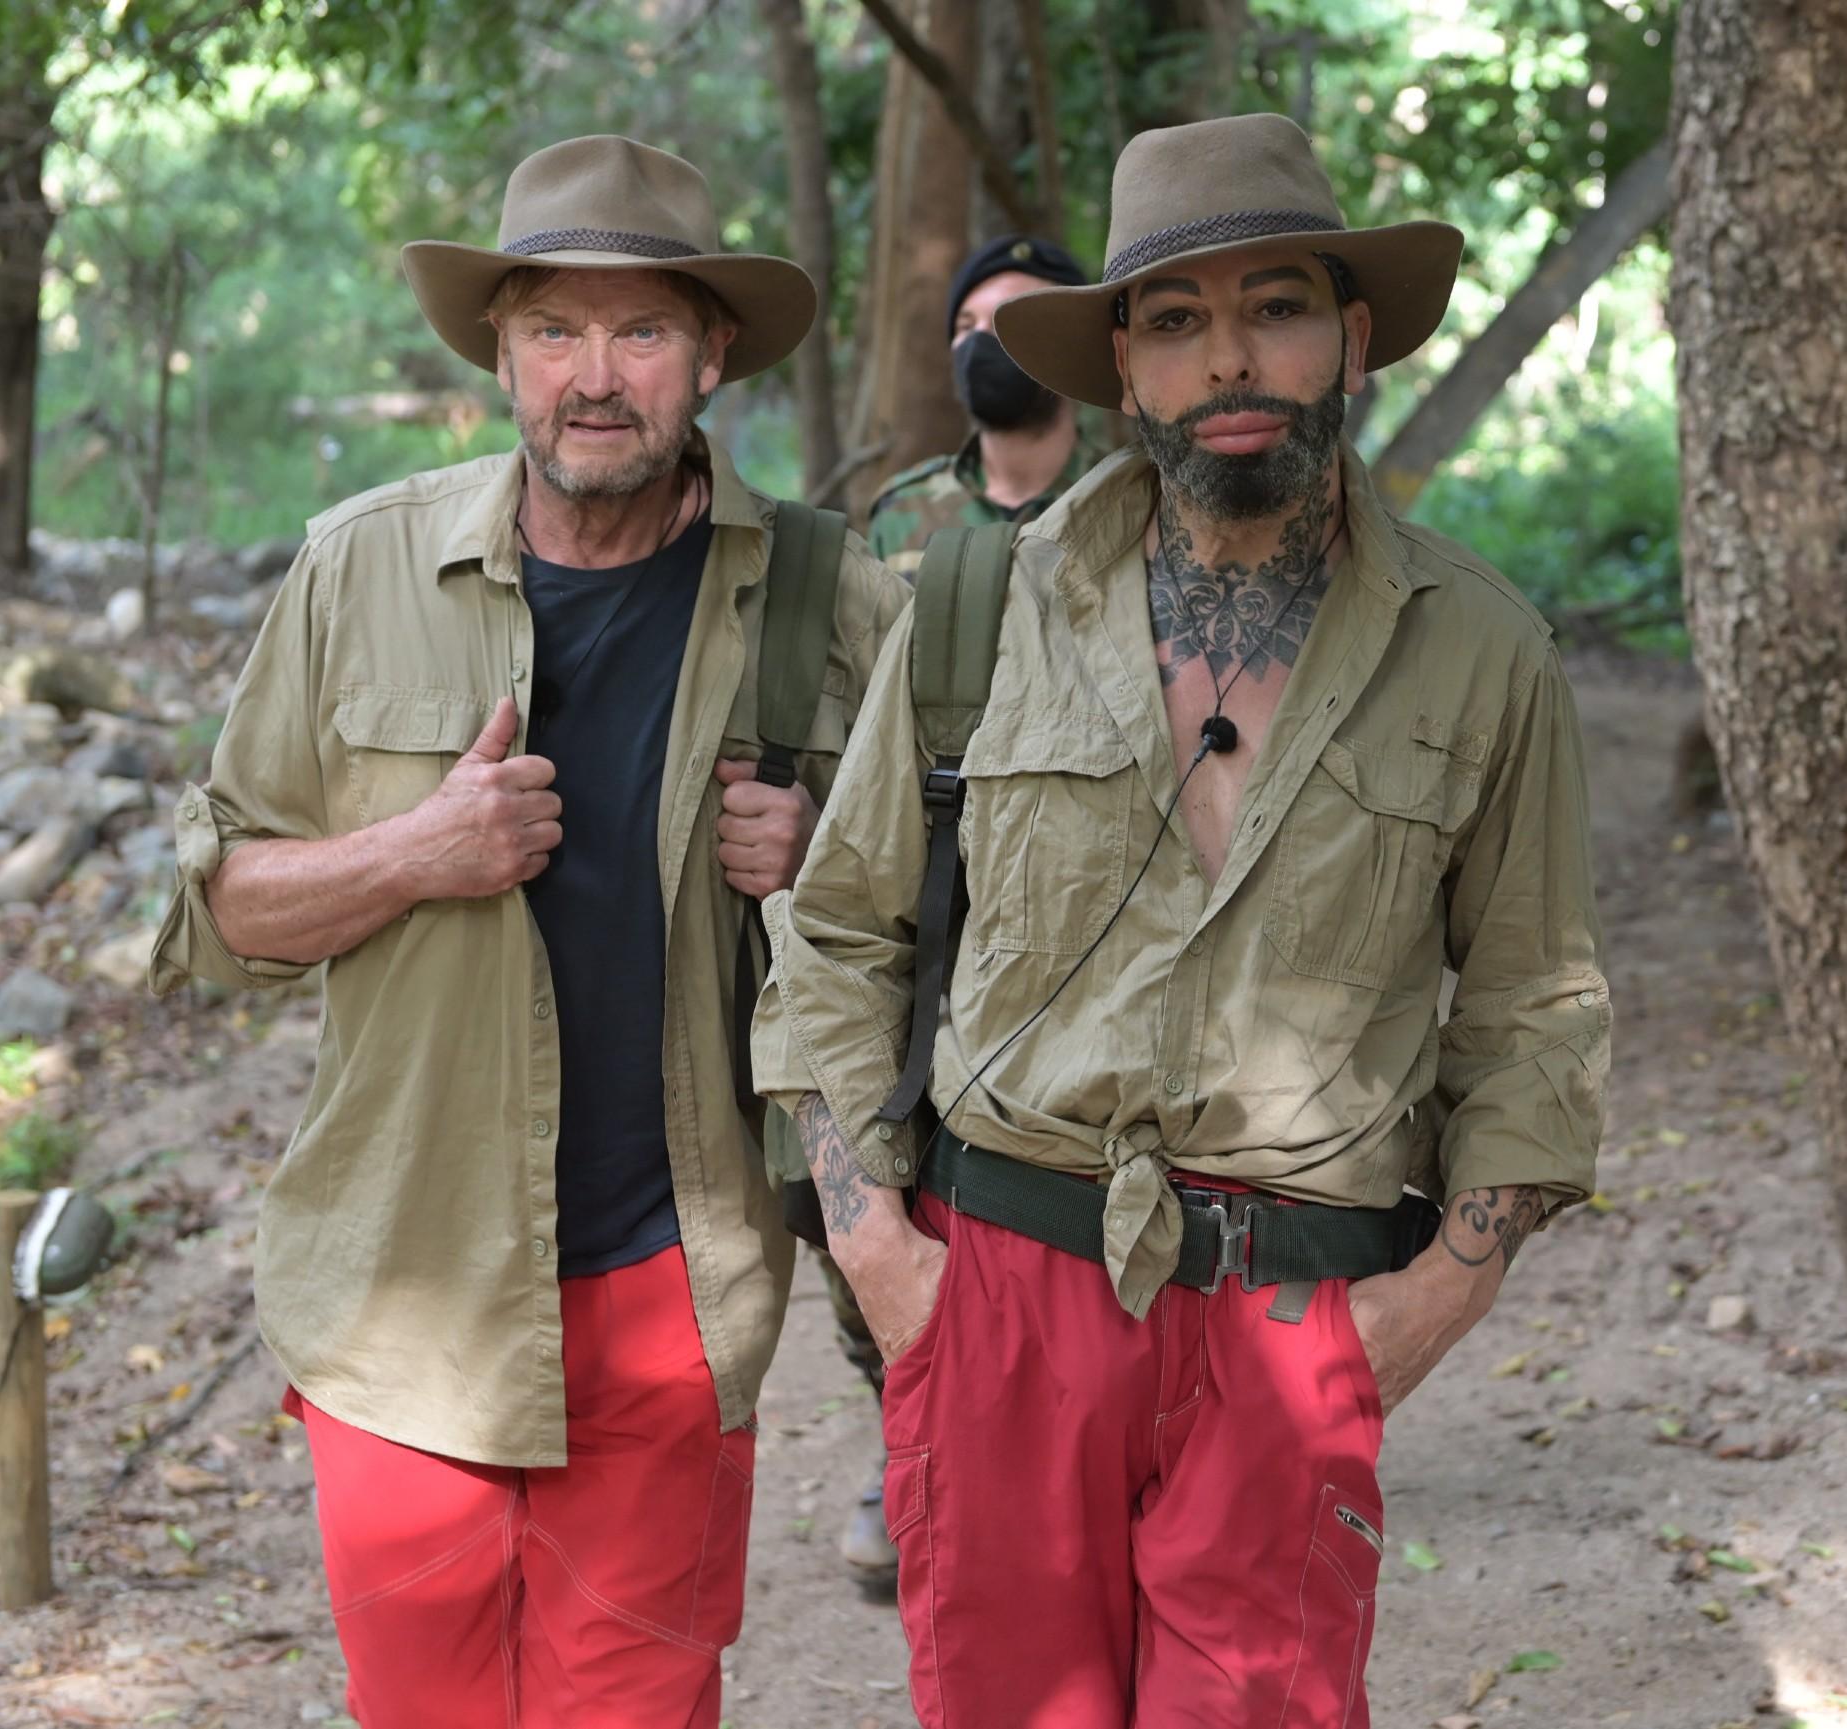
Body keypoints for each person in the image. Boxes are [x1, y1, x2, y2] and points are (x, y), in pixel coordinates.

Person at [761, 113, 1611, 1726]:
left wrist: (1435, 1294)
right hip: (1002, 1280)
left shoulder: (1482, 648)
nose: (1229, 354)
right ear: (1121, 369)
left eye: (1275, 305)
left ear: (1350, 335)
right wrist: (875, 1243)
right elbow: (841, 926)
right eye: (1173, 319)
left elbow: (1531, 1000)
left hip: (1293, 1300)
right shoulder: (974, 604)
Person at [147, 135, 908, 1729]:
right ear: (499, 352)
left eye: (640, 332)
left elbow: (981, 909)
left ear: (710, 355)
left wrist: (828, 856)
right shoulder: (360, 566)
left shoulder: (833, 599)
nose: (595, 376)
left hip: (668, 1288)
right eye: (554, 329)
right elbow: (215, 916)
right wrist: (415, 852)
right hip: (401, 1277)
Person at [821, 229, 1108, 1593]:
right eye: (971, 320)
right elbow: (843, 740)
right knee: (879, 1170)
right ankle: (909, 1442)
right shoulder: (895, 529)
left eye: (1027, 316)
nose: (993, 337)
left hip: (1083, 910)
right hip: (924, 900)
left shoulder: (1138, 509)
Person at [863, 232, 1107, 577]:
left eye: (1004, 321)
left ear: (1073, 346)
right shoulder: (901, 510)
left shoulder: (1128, 499)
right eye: (966, 325)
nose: (979, 340)